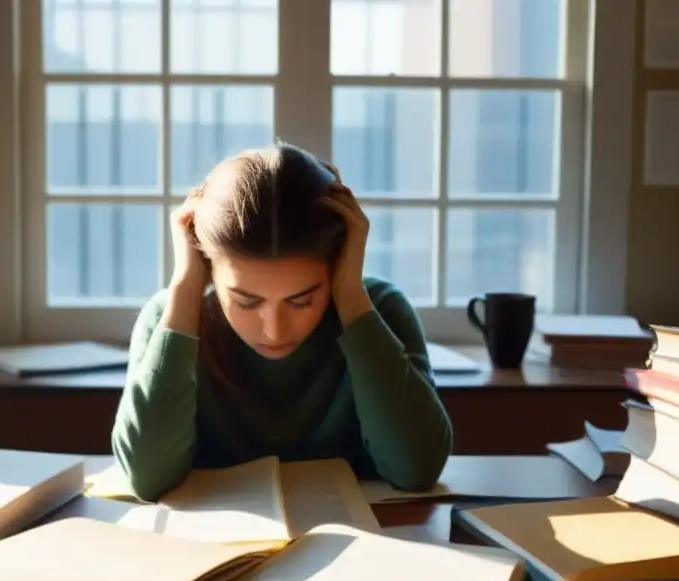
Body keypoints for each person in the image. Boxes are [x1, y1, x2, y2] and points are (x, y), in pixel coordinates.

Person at [111, 143, 453, 503]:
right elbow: (147, 479)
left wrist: (350, 293)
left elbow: (417, 470)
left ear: (337, 265)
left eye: (302, 300)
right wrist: (187, 285)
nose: (274, 330)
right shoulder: (171, 317)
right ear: (207, 264)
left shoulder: (379, 310)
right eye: (245, 301)